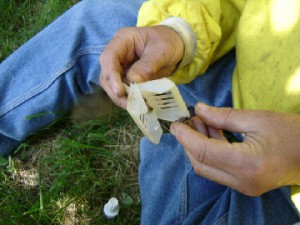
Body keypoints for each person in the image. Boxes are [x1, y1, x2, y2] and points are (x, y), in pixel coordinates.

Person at [1, 0, 300, 224]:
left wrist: (295, 155)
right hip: (233, 59)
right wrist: (179, 33)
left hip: (286, 179)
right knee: (96, 21)